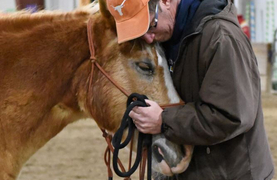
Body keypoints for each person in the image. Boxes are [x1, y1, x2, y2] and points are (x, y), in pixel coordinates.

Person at [107, 0, 275, 179]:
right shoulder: (167, 37)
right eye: (139, 32)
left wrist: (163, 121)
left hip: (231, 173)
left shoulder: (221, 38)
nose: (148, 38)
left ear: (166, 2)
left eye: (151, 26)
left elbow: (231, 115)